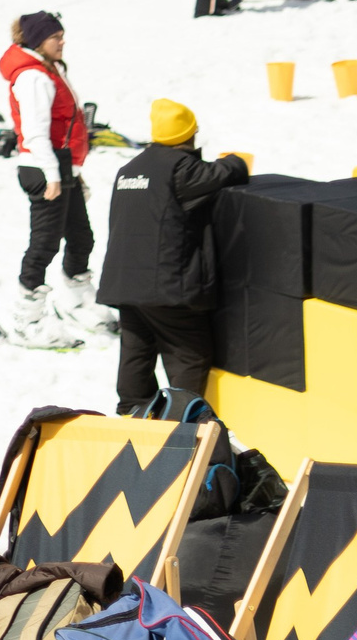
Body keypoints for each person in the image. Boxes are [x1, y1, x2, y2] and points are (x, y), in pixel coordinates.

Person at [97, 99, 249, 415]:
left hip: (125, 281)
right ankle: (180, 420)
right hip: (164, 285)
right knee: (190, 353)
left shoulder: (130, 169)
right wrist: (235, 160)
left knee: (137, 348)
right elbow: (225, 172)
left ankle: (132, 409)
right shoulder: (181, 168)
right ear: (190, 135)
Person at [0, 12, 98, 335]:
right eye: (56, 37)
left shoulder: (49, 70)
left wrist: (74, 172)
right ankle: (26, 320)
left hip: (60, 165)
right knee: (44, 245)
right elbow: (34, 133)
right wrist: (54, 176)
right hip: (43, 168)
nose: (62, 41)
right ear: (39, 41)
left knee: (82, 238)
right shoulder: (34, 77)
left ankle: (78, 303)